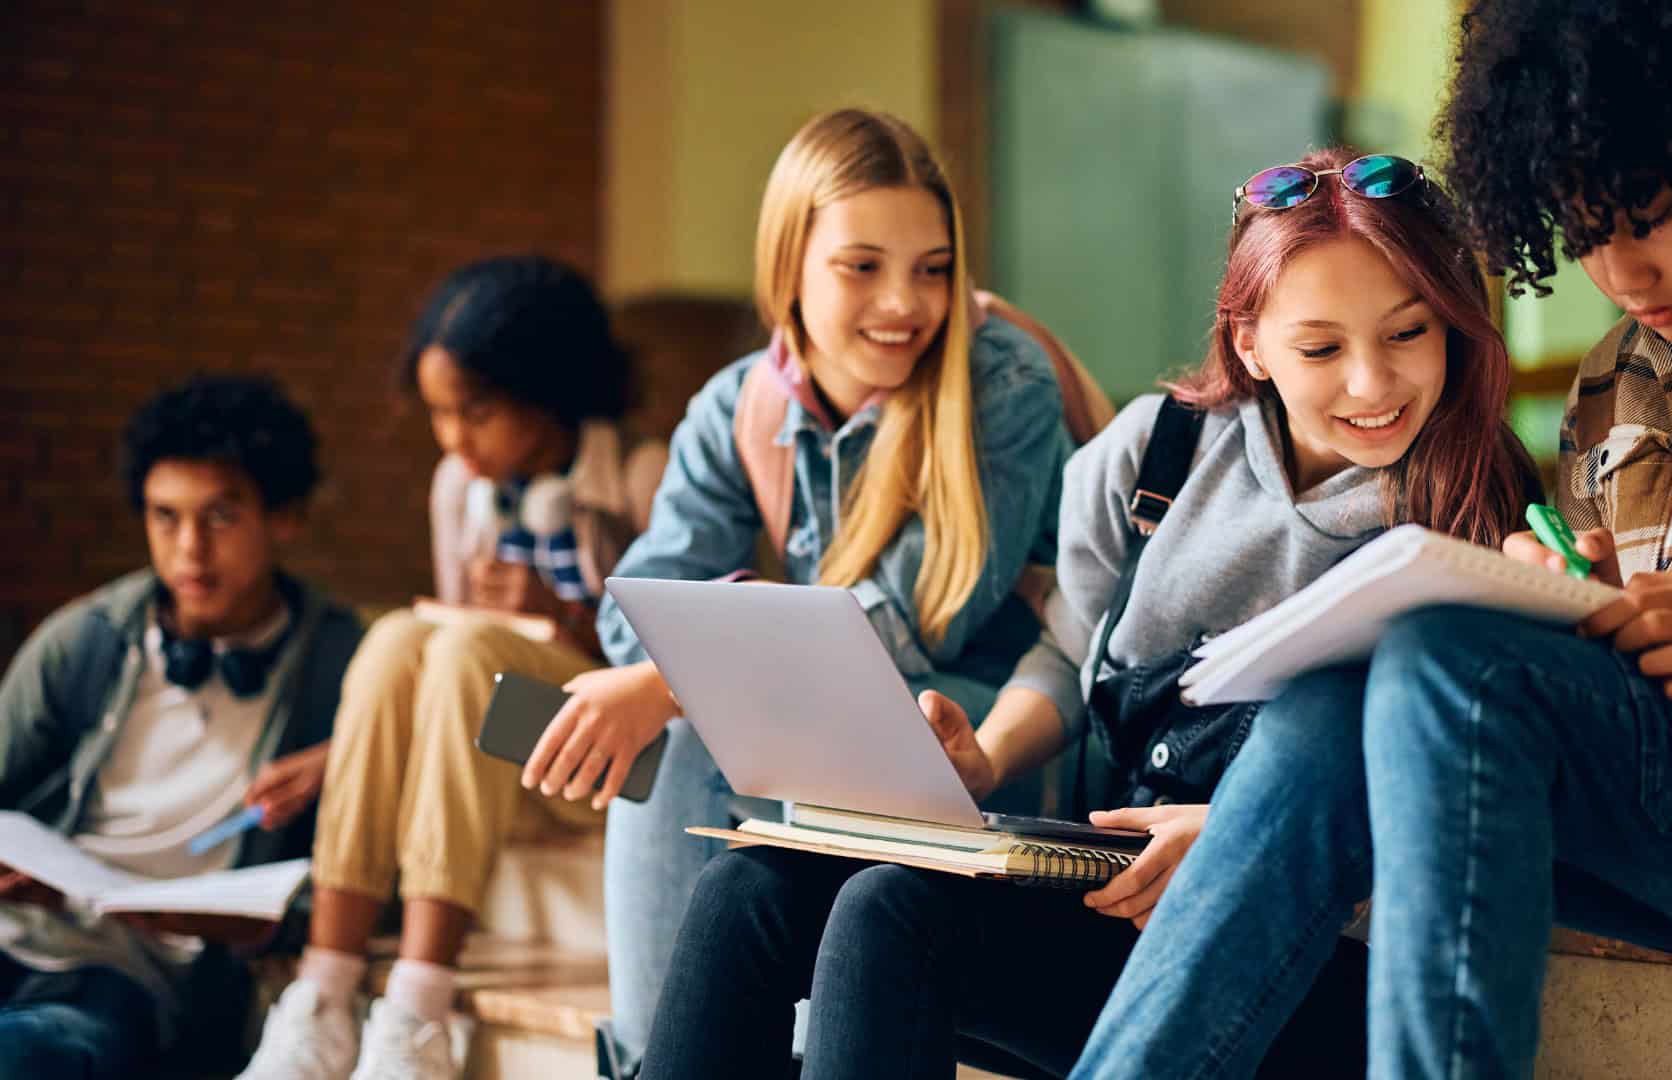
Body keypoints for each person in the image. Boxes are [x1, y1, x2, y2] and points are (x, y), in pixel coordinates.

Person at [1072, 3, 1672, 1077]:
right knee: (1345, 698)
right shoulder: (1619, 381)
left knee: (1448, 668)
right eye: (1582, 233)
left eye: (1648, 219)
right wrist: (1573, 606)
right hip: (1669, 830)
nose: (1618, 276)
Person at [638, 147, 1542, 1079]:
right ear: (1249, 343)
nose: (1371, 383)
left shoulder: (1481, 509)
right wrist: (985, 753)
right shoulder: (1159, 454)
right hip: (1115, 894)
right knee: (747, 887)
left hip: (1309, 950)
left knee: (888, 915)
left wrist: (1248, 840)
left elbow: (1470, 797)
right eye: (1321, 347)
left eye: (1409, 334)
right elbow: (1070, 652)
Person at [517, 108, 1080, 1075]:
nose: (905, 302)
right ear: (789, 265)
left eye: (932, 268)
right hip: (823, 713)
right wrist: (687, 670)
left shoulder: (1002, 385)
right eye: (862, 266)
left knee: (679, 707)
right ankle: (664, 1057)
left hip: (976, 727)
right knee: (676, 719)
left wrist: (684, 672)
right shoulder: (743, 403)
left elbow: (917, 617)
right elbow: (632, 614)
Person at [239, 255, 668, 1080]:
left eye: (474, 413)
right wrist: (348, 754)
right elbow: (439, 678)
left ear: (547, 396)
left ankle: (419, 1005)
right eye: (439, 415)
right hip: (494, 758)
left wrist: (566, 619)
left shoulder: (640, 478)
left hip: (611, 760)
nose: (452, 439)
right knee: (402, 636)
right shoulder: (458, 488)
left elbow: (677, 680)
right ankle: (324, 995)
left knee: (469, 644)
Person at [0, 375, 361, 1076]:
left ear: (283, 518)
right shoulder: (87, 639)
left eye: (220, 517)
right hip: (19, 933)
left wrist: (255, 923)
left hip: (126, 975)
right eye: (166, 517)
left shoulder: (340, 663)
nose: (189, 548)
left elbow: (367, 882)